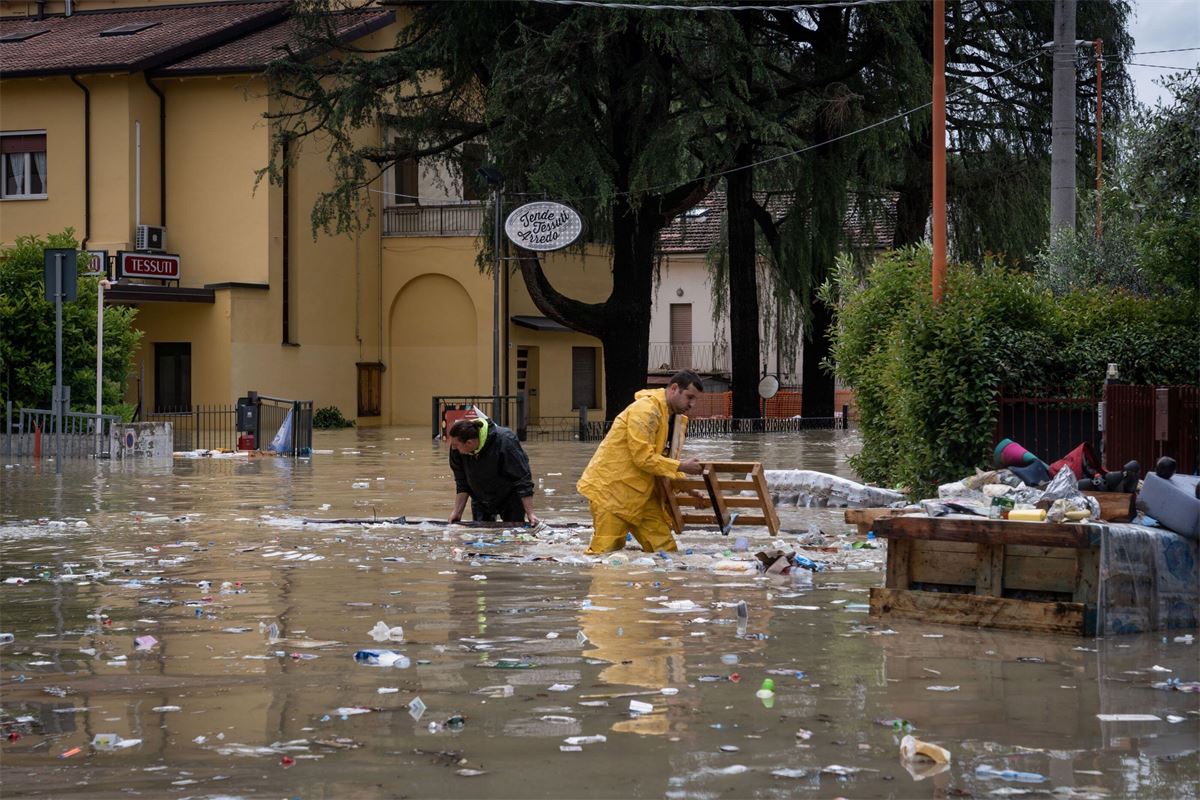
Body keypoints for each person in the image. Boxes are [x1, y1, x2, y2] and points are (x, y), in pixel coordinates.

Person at [577, 370, 704, 554]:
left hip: (642, 495)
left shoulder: (669, 417)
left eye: (695, 400)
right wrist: (682, 466)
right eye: (689, 397)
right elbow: (643, 458)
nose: (692, 404)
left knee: (666, 551)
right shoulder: (646, 410)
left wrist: (686, 486)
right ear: (674, 388)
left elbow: (660, 460)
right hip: (613, 493)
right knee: (605, 556)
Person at [447, 417, 539, 526]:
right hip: (480, 498)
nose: (453, 449)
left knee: (513, 536)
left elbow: (522, 479)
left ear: (469, 443)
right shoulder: (457, 450)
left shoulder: (506, 441)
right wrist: (457, 512)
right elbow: (462, 482)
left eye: (456, 446)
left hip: (510, 497)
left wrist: (530, 513)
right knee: (481, 538)